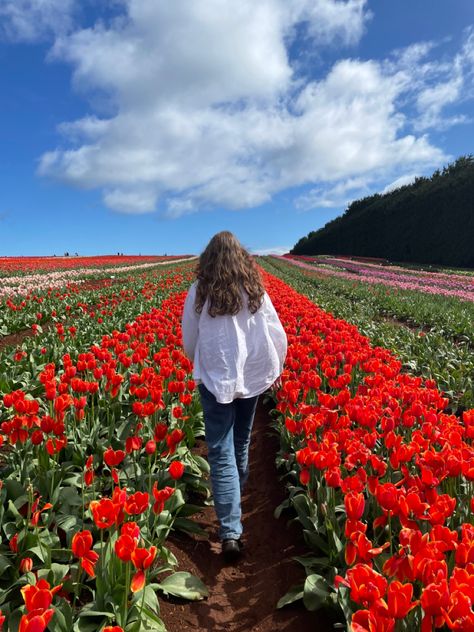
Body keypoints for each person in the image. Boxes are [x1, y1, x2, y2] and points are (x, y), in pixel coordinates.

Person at [181, 231, 287, 561]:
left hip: (216, 376)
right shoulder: (254, 290)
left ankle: (230, 530)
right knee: (239, 442)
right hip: (252, 375)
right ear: (242, 258)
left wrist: (199, 361)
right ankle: (233, 510)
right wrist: (277, 367)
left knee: (220, 447)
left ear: (209, 260)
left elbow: (189, 336)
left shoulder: (200, 291)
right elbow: (275, 331)